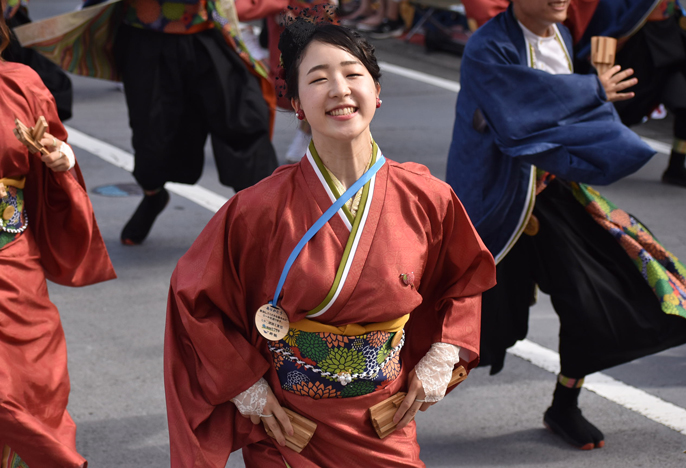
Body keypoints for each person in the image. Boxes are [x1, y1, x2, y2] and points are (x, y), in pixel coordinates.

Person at [164, 18, 496, 467]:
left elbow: (464, 279)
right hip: (290, 428)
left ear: (377, 91)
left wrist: (445, 350)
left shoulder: (427, 198)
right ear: (297, 104)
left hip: (384, 421)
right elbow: (195, 301)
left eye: (352, 73)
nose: (339, 89)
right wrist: (247, 388)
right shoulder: (256, 209)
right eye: (318, 79)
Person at [447, 0, 686, 451]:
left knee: (596, 298)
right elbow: (519, 113)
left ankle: (565, 403)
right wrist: (591, 90)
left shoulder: (562, 37)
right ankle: (384, 401)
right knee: (464, 321)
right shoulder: (488, 46)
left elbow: (566, 112)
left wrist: (592, 109)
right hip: (500, 200)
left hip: (553, 191)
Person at [0, 7, 116, 467]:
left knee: (30, 382)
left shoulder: (21, 82)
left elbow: (53, 147)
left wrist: (60, 157)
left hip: (11, 256)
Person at [106, 0, 280, 245]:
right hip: (146, 38)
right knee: (152, 139)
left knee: (243, 122)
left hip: (207, 33)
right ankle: (153, 195)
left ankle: (261, 218)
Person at [614, 0, 686, 189]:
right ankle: (594, 153)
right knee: (625, 104)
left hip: (672, 37)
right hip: (640, 40)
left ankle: (676, 167)